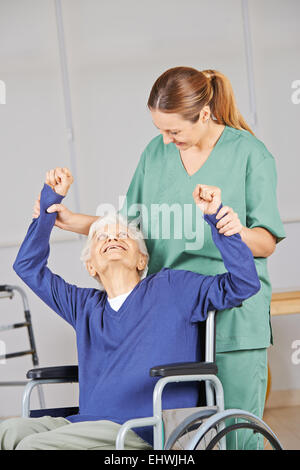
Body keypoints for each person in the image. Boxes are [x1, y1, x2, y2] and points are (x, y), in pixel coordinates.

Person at [33, 67, 286, 450]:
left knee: (235, 436)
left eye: (174, 132)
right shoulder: (156, 154)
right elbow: (128, 225)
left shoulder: (249, 154)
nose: (166, 141)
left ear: (203, 115)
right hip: (168, 317)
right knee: (172, 439)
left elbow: (265, 242)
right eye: (160, 131)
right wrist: (73, 221)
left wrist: (228, 225)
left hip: (231, 313)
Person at [0, 169, 260, 450]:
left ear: (141, 259)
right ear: (91, 267)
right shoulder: (83, 306)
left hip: (142, 429)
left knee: (33, 446)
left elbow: (243, 284)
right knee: (8, 431)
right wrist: (49, 204)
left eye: (124, 235)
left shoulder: (173, 286)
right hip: (83, 424)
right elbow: (27, 266)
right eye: (101, 237)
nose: (112, 238)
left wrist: (217, 218)